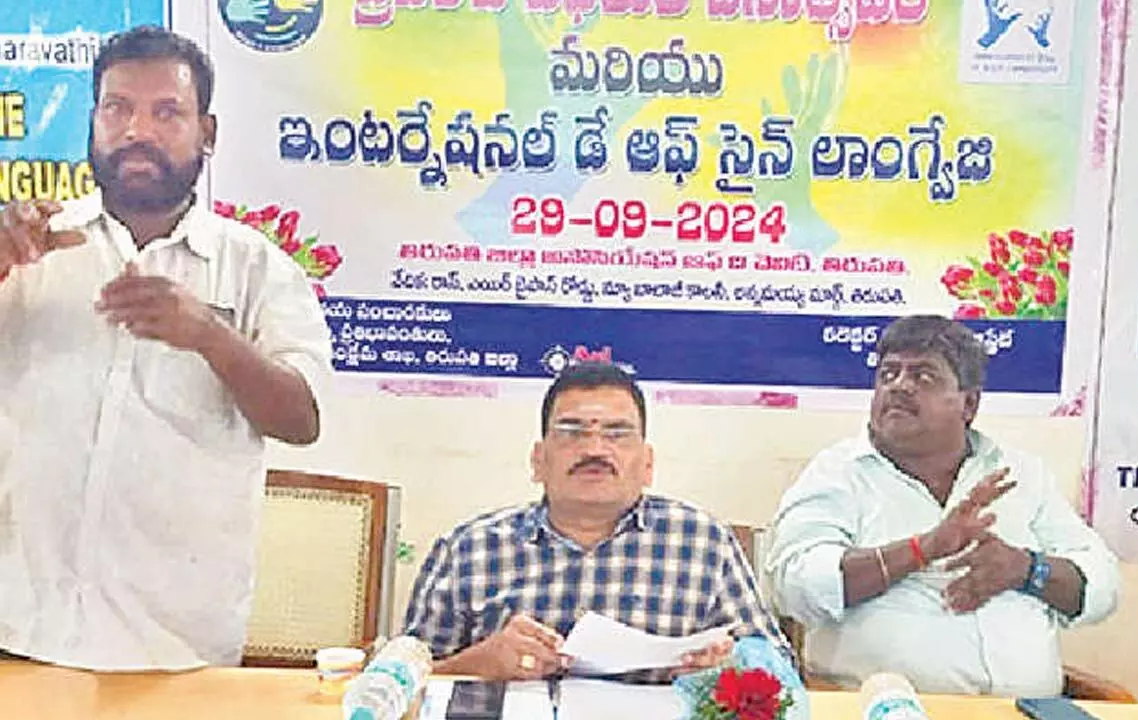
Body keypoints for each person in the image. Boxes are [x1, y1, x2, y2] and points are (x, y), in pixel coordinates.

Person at [0, 26, 330, 670]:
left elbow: (302, 420)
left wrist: (209, 336)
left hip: (173, 647)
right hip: (17, 623)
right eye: (117, 108)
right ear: (93, 121)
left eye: (166, 112)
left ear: (207, 133)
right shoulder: (32, 247)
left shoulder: (256, 268)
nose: (136, 130)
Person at [766, 315, 1118, 696]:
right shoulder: (839, 473)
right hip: (882, 710)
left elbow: (1101, 585)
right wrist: (922, 549)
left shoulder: (1021, 474)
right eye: (888, 374)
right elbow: (793, 585)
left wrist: (1026, 568)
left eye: (923, 377)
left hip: (1027, 709)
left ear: (969, 403)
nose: (899, 386)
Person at [402, 361, 793, 682]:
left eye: (617, 434)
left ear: (647, 464)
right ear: (539, 460)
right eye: (571, 432)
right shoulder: (470, 547)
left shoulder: (704, 542)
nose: (593, 449)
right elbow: (398, 677)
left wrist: (728, 669)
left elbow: (780, 670)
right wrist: (477, 664)